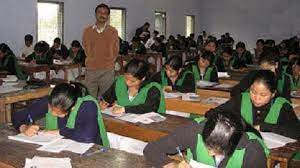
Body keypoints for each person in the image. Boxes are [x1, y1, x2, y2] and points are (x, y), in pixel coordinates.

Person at [143, 111, 269, 168]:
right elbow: (152, 149)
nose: (210, 153)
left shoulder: (253, 150)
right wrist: (172, 165)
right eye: (207, 146)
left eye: (218, 151)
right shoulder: (195, 129)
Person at [11, 82, 110, 146]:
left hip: (92, 151)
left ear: (73, 107)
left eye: (58, 113)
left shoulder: (88, 105)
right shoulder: (52, 101)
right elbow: (18, 115)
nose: (53, 114)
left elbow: (87, 136)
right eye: (51, 109)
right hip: (62, 149)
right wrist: (23, 128)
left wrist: (58, 132)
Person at [210, 70, 300, 139]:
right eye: (253, 92)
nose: (257, 98)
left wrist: (264, 127)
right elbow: (212, 113)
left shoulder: (281, 105)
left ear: (273, 94)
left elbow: (296, 131)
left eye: (263, 95)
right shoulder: (242, 99)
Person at [101, 59, 166, 114]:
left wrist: (124, 109)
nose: (128, 83)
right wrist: (104, 104)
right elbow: (108, 98)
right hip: (123, 121)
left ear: (143, 78)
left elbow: (150, 108)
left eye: (133, 81)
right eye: (126, 78)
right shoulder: (120, 81)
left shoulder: (152, 87)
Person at [82, 3, 119, 98]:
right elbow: (85, 48)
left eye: (105, 13)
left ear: (108, 16)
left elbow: (116, 50)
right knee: (89, 98)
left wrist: (109, 61)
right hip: (91, 70)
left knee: (106, 99)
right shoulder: (87, 31)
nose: (102, 15)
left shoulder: (113, 31)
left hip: (107, 70)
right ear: (95, 14)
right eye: (100, 12)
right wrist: (92, 59)